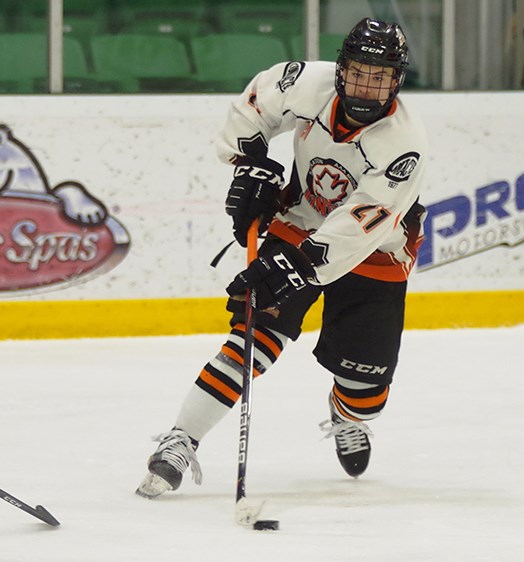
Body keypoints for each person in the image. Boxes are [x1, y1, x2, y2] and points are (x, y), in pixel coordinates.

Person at [136, 17, 429, 499]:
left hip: (378, 250)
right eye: (359, 71)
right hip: (300, 220)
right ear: (341, 69)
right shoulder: (304, 81)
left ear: (397, 81)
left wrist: (300, 266)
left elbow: (361, 225)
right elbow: (255, 106)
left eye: (381, 76)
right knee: (254, 331)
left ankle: (346, 413)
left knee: (365, 392)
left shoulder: (405, 144)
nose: (367, 85)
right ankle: (181, 440)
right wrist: (249, 161)